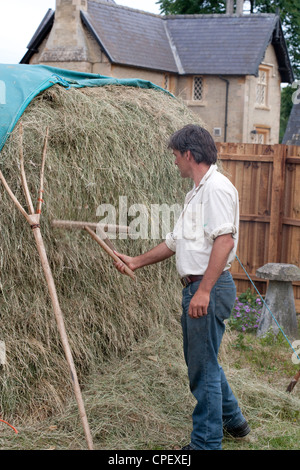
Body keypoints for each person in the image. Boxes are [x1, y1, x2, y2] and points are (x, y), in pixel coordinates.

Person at [114, 124, 250, 450]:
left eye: (175, 155)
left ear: (189, 154)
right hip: (200, 288)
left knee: (202, 371)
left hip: (208, 288)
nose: (174, 161)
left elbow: (225, 240)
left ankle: (204, 445)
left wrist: (203, 290)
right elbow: (174, 243)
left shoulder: (216, 189)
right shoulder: (196, 193)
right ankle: (235, 422)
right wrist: (135, 261)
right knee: (204, 363)